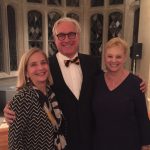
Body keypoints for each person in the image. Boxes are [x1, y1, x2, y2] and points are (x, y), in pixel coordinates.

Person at [4, 17, 146, 150]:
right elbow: (31, 93)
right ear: (54, 39)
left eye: (72, 34)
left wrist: (133, 81)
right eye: (61, 35)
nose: (67, 39)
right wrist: (10, 108)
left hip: (93, 140)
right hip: (62, 143)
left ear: (78, 36)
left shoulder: (91, 62)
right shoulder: (47, 67)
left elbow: (109, 82)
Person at [92, 37, 150, 150]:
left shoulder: (135, 83)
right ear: (104, 57)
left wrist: (146, 145)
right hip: (100, 143)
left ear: (124, 58)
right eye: (110, 56)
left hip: (128, 144)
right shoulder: (96, 81)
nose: (113, 60)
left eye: (118, 56)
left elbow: (142, 117)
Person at [8, 48, 66, 150]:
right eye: (33, 65)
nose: (40, 68)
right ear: (26, 72)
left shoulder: (51, 94)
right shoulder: (22, 98)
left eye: (43, 63)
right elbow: (15, 143)